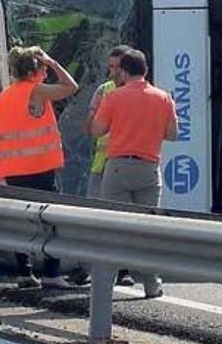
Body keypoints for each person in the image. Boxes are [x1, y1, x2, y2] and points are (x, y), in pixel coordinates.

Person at [0, 45, 79, 289]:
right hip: (39, 168)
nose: (46, 73)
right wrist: (54, 62)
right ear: (36, 69)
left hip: (14, 170)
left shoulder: (7, 95)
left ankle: (24, 272)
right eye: (44, 69)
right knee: (51, 221)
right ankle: (51, 272)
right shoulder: (35, 91)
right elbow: (71, 88)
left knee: (21, 220)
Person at [90, 48, 177, 298]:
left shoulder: (114, 97)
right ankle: (151, 284)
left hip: (118, 167)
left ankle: (105, 287)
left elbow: (97, 130)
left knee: (113, 227)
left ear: (125, 72)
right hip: (149, 169)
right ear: (146, 70)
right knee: (147, 230)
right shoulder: (163, 98)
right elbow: (172, 134)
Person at [82, 44, 136, 286]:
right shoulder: (104, 90)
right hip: (101, 163)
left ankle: (124, 268)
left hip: (124, 161)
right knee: (95, 219)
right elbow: (89, 127)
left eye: (117, 67)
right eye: (111, 66)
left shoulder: (140, 92)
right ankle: (91, 267)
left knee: (126, 218)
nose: (113, 71)